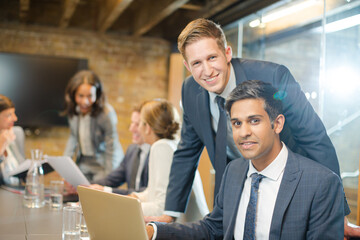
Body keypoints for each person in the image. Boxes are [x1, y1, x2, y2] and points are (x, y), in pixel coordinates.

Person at [156, 18, 354, 233]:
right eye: (196, 63)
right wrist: (170, 213)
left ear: (227, 53)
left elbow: (313, 136)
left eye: (212, 57)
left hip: (289, 183)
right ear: (187, 66)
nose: (207, 71)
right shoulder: (190, 91)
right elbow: (186, 152)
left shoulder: (273, 77)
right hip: (235, 183)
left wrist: (337, 212)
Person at [146, 80, 345, 239]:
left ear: (277, 124)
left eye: (254, 121)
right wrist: (155, 231)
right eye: (237, 123)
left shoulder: (321, 183)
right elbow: (213, 229)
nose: (244, 132)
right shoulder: (234, 171)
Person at [130, 99, 209, 221]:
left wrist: (126, 207)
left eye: (140, 123)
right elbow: (155, 192)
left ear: (148, 128)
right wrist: (135, 197)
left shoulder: (161, 147)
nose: (136, 128)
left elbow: (161, 209)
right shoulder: (171, 144)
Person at [63, 70, 124, 181]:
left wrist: (108, 178)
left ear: (97, 95)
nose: (85, 102)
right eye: (80, 96)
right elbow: (73, 137)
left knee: (96, 193)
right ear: (74, 94)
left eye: (90, 96)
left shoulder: (106, 114)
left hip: (104, 164)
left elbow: (112, 146)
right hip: (85, 163)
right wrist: (65, 168)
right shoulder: (74, 111)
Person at [89, 106, 151, 194]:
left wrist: (107, 190)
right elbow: (111, 180)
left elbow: (146, 192)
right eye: (132, 123)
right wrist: (84, 186)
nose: (131, 129)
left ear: (148, 127)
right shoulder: (132, 150)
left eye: (137, 124)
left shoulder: (156, 153)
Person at [0, 95, 25, 186]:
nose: (15, 118)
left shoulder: (14, 134)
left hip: (17, 193)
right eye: (9, 115)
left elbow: (22, 168)